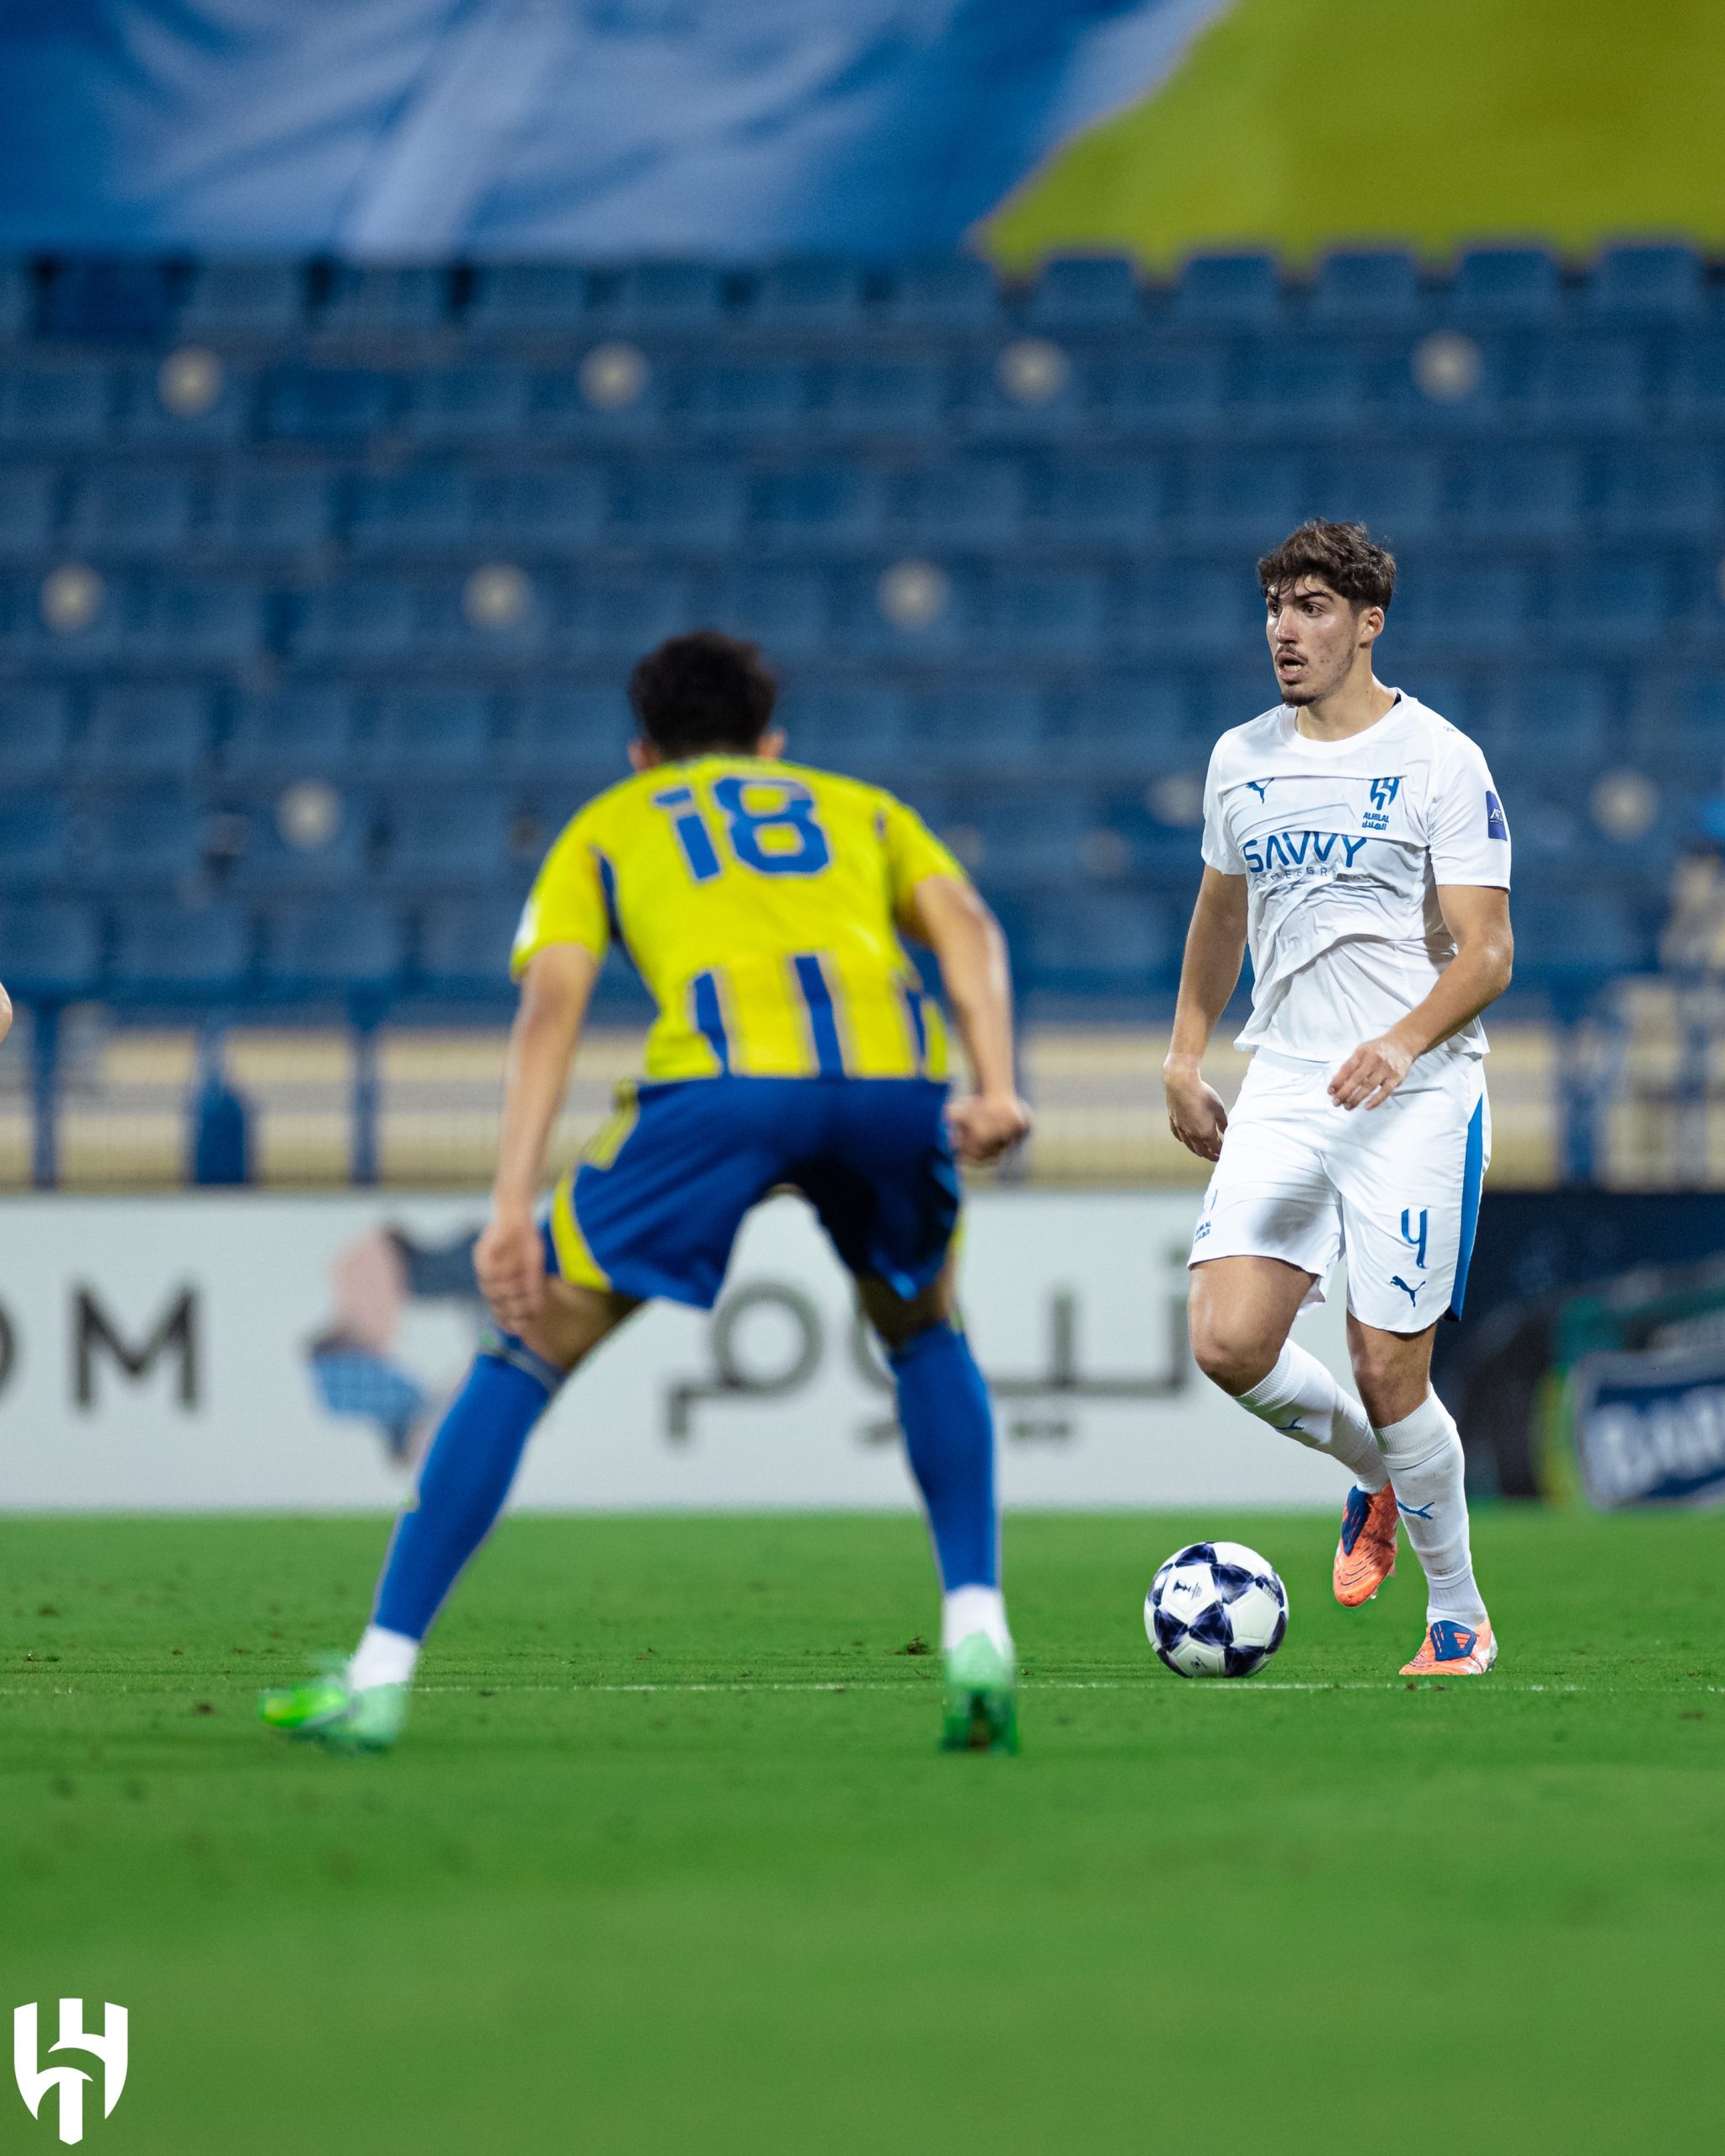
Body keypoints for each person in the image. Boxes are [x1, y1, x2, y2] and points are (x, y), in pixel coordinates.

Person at [263, 630, 1032, 1753]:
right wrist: (998, 1085)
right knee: (922, 1330)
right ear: (772, 743)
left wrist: (508, 1208)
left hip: (721, 1086)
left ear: (641, 751)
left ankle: (378, 1676)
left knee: (526, 1346)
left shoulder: (610, 824)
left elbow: (551, 1008)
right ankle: (977, 1629)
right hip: (890, 1078)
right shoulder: (861, 809)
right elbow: (966, 925)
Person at [1163, 521, 1514, 1676]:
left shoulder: (1441, 760)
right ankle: (1375, 1474)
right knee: (1227, 1342)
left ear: (1369, 624)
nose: (1284, 628)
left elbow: (1488, 952)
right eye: (1275, 605)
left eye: (1311, 606)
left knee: (1387, 1370)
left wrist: (1402, 1044)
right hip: (1286, 1081)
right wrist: (1184, 1057)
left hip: (1415, 1092)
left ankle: (1458, 1617)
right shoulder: (1240, 758)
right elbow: (1221, 913)